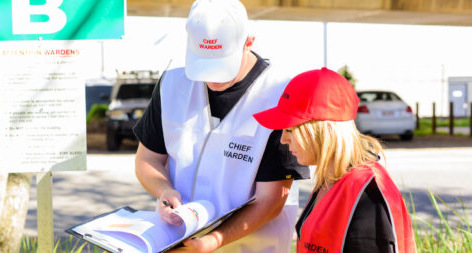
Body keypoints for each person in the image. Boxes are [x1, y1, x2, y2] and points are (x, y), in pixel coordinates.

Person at [133, 0, 309, 252]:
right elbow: (147, 159)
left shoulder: (280, 94)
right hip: (178, 241)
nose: (212, 78)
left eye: (221, 64)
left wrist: (211, 241)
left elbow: (271, 200)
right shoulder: (173, 84)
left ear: (249, 42)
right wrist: (164, 190)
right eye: (203, 64)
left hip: (251, 247)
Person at [253, 67, 417, 253]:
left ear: (326, 130)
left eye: (290, 129)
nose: (283, 140)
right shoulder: (331, 177)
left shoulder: (367, 194)